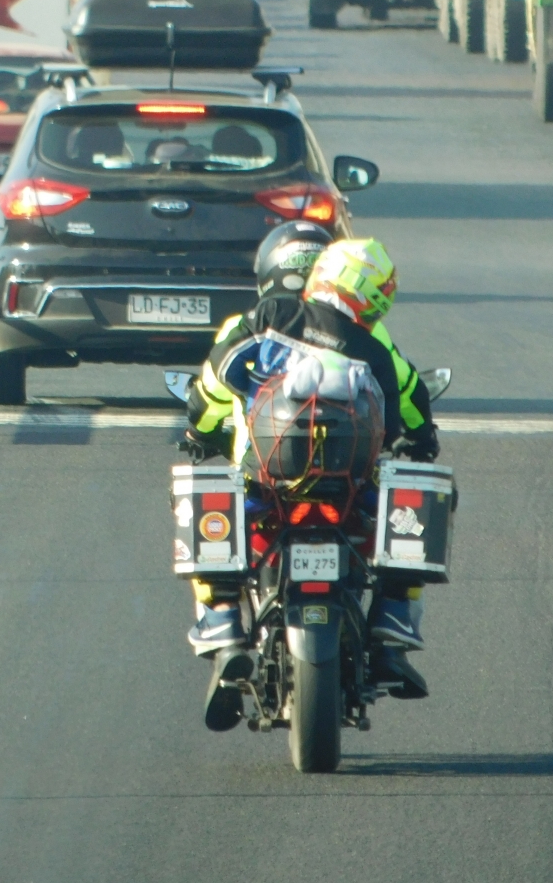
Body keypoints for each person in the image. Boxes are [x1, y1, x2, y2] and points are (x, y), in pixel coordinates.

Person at [186, 238, 439, 728]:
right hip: (349, 491)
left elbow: (217, 376)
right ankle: (391, 619)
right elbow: (406, 402)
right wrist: (422, 442)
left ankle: (221, 622)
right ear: (378, 297)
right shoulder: (372, 345)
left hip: (265, 484)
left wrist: (197, 428)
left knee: (205, 504)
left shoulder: (266, 316)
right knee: (413, 497)